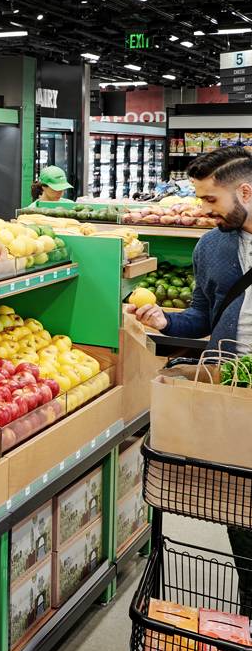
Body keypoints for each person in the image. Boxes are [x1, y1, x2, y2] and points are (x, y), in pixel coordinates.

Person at [126, 144, 252, 614]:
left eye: (210, 201)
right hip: (231, 395)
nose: (203, 211)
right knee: (242, 519)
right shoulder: (212, 247)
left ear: (245, 191)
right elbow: (200, 315)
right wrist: (165, 322)